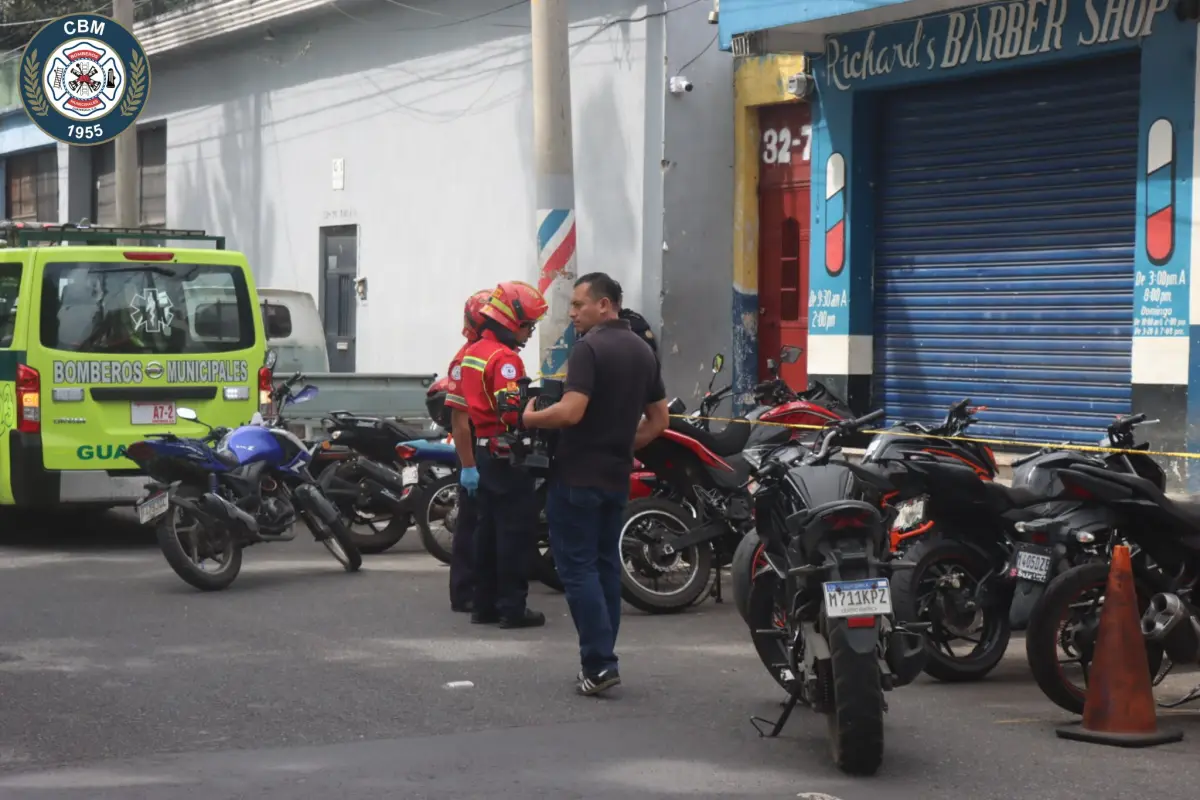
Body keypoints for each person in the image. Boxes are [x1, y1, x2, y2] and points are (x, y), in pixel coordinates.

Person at [521, 272, 669, 695]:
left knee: (579, 569)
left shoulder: (589, 349)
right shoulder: (643, 350)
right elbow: (659, 420)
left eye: (578, 305)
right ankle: (603, 658)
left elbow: (570, 412)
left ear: (605, 305)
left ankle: (600, 664)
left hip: (576, 477)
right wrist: (621, 444)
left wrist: (529, 417)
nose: (571, 314)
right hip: (616, 476)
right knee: (605, 566)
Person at [449, 280, 548, 629]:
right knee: (514, 534)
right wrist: (535, 407)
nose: (529, 334)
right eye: (527, 326)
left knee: (486, 533)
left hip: (482, 454)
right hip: (507, 454)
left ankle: (484, 605)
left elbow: (460, 412)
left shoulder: (472, 353)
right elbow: (511, 412)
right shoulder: (506, 360)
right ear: (511, 322)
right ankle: (513, 608)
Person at [442, 288, 492, 614]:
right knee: (471, 526)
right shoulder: (466, 358)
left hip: (487, 449)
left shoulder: (486, 351)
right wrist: (469, 466)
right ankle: (464, 592)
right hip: (474, 451)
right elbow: (460, 422)